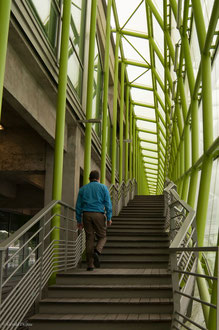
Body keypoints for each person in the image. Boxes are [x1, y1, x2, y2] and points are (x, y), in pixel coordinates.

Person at [76, 170, 112, 271]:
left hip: (86, 214)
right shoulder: (103, 188)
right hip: (99, 214)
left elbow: (78, 206)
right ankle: (97, 252)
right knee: (103, 236)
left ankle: (90, 265)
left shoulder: (83, 189)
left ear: (89, 178)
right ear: (99, 179)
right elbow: (108, 204)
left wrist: (79, 220)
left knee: (89, 238)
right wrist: (109, 218)